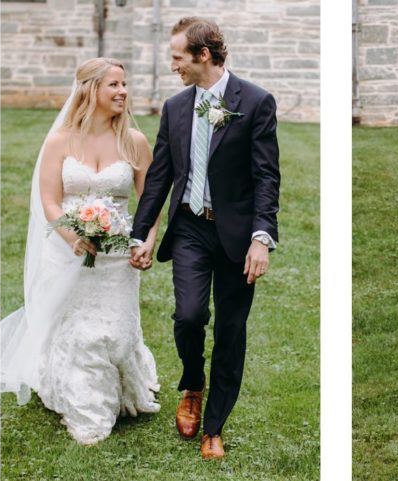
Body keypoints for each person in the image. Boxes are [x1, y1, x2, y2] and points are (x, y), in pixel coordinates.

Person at [129, 17, 280, 460]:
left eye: (178, 57)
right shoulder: (175, 107)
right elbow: (159, 177)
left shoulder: (255, 102)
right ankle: (192, 385)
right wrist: (141, 235)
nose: (173, 65)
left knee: (231, 330)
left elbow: (266, 177)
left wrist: (261, 237)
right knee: (190, 316)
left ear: (204, 56)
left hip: (236, 234)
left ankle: (214, 425)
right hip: (191, 226)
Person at [0, 57, 161, 445]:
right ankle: (89, 410)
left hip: (118, 259)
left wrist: (147, 241)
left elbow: (151, 202)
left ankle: (120, 386)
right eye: (114, 85)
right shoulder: (61, 141)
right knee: (82, 335)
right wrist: (73, 238)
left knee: (117, 333)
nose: (123, 92)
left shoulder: (134, 142)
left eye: (125, 85)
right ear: (90, 90)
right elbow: (50, 201)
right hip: (70, 250)